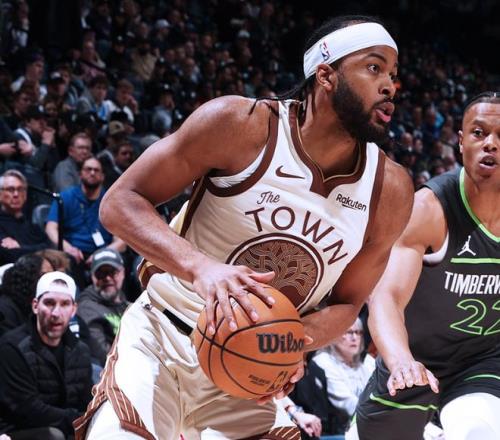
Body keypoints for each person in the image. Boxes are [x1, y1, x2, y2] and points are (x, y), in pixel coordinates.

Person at [75, 16, 413, 440]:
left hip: (247, 373)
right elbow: (120, 203)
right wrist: (201, 267)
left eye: (393, 75)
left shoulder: (390, 189)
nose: (390, 86)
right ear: (326, 75)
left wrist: (292, 340)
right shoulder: (241, 124)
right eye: (374, 67)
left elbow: (348, 303)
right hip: (162, 338)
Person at [348, 92, 500, 440]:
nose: (490, 144)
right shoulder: (429, 209)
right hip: (414, 361)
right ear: (460, 142)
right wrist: (400, 360)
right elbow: (385, 297)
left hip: (481, 362)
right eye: (479, 133)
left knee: (478, 429)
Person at [0, 271, 92, 439]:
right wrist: (78, 420)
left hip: (66, 427)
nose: (56, 313)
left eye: (65, 304)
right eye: (49, 303)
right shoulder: (12, 347)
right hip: (16, 430)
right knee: (54, 436)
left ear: (73, 310)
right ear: (35, 306)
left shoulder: (81, 351)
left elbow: (86, 403)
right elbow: (28, 410)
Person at [45, 157, 125, 264]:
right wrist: (68, 248)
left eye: (96, 170)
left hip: (105, 254)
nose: (92, 173)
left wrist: (103, 254)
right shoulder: (65, 197)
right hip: (73, 254)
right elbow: (50, 228)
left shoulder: (111, 201)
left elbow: (122, 240)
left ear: (102, 176)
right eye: (88, 169)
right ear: (80, 174)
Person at [313, 317, 375, 434]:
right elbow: (349, 405)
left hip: (370, 423)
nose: (354, 338)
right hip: (338, 432)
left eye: (358, 332)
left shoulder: (367, 361)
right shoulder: (323, 361)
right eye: (348, 332)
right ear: (333, 335)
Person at [77, 248, 129, 366]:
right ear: (92, 276)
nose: (107, 278)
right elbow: (102, 354)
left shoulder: (130, 306)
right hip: (112, 369)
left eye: (112, 272)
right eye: (101, 273)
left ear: (123, 273)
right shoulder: (87, 308)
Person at [0, 169, 52, 263]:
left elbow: (49, 248)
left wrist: (21, 247)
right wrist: (34, 249)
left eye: (20, 189)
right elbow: (9, 255)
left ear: (25, 195)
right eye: (10, 189)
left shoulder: (31, 224)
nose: (16, 194)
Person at [0, 253, 53, 336]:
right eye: (44, 275)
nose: (50, 282)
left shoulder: (37, 304)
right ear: (28, 276)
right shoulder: (4, 309)